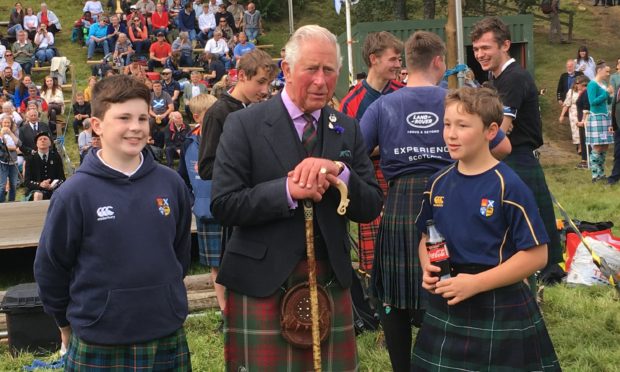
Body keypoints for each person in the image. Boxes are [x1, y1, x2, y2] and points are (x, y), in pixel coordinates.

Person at [210, 25, 382, 370]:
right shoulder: (243, 124)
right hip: (262, 281)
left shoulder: (345, 127)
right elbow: (224, 204)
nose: (322, 80)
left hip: (330, 279)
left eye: (330, 70)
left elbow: (370, 205)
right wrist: (286, 191)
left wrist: (341, 175)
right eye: (311, 69)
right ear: (286, 70)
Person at [360, 31, 511, 372]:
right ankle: (447, 361)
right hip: (451, 197)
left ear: (406, 63)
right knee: (449, 284)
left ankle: (403, 366)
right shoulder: (457, 102)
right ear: (439, 62)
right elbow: (502, 147)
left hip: (399, 199)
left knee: (394, 297)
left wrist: (392, 148)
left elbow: (356, 151)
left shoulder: (383, 105)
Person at [34, 75, 192, 370]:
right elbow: (51, 268)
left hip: (165, 329)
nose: (135, 127)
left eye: (142, 118)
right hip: (98, 335)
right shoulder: (74, 193)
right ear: (97, 125)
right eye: (123, 117)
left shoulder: (171, 183)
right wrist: (64, 324)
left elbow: (179, 254)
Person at [411, 86, 561, 372]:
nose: (451, 134)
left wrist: (475, 283)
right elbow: (426, 236)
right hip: (448, 299)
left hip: (498, 303)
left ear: (491, 131)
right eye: (446, 124)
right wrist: (426, 264)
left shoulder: (510, 186)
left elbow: (537, 256)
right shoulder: (437, 183)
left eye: (463, 125)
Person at [471, 16, 563, 284]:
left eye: (486, 48)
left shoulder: (514, 77)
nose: (480, 54)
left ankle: (533, 277)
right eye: (476, 49)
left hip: (517, 157)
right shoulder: (495, 79)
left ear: (505, 45)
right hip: (508, 158)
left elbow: (502, 129)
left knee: (524, 227)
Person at [340, 31, 403, 273]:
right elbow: (351, 152)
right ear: (373, 59)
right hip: (371, 181)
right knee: (376, 257)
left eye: (399, 59)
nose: (398, 65)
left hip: (402, 179)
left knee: (407, 248)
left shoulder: (403, 93)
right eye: (393, 59)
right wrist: (386, 146)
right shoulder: (351, 102)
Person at [586, 60, 614, 182]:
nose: (607, 74)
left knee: (605, 146)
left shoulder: (603, 84)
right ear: (599, 70)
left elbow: (607, 102)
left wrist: (610, 95)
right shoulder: (592, 84)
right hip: (596, 117)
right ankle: (594, 174)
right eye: (605, 71)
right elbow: (592, 102)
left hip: (605, 117)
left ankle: (601, 173)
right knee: (597, 146)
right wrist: (606, 93)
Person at [23, 131, 64, 200]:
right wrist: (40, 184)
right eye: (40, 139)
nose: (42, 140)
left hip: (53, 189)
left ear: (50, 143)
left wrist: (52, 185)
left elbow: (62, 178)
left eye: (45, 139)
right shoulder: (30, 159)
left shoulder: (56, 157)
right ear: (36, 144)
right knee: (38, 194)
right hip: (36, 190)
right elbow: (27, 182)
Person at [559, 75, 584, 153]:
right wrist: (562, 115)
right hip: (574, 113)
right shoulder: (571, 92)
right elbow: (566, 104)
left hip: (584, 112)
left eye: (580, 83)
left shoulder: (585, 90)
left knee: (584, 129)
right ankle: (580, 148)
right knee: (577, 130)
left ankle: (585, 146)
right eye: (577, 83)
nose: (578, 84)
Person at [0, 116, 21, 202]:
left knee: (13, 184)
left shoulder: (15, 133)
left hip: (13, 162)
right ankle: (1, 203)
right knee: (2, 185)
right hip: (2, 163)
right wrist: (12, 148)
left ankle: (12, 202)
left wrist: (10, 134)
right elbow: (2, 146)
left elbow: (19, 144)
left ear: (11, 124)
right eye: (5, 122)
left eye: (8, 122)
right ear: (1, 123)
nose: (6, 124)